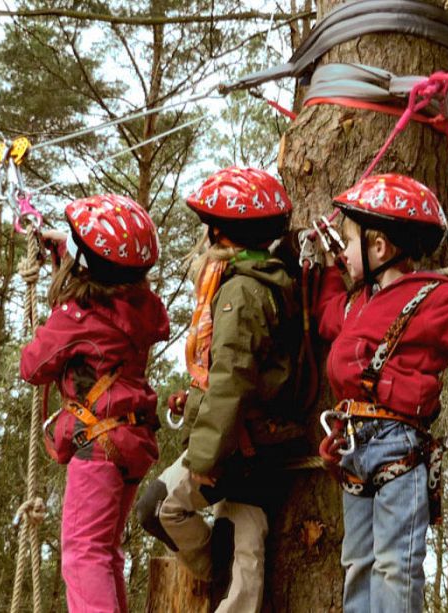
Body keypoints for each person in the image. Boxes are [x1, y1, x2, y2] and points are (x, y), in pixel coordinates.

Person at [316, 174, 448, 613]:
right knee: (358, 561)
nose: (343, 252)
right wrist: (324, 266)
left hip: (399, 447)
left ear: (379, 247)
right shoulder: (358, 303)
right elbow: (326, 319)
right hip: (355, 445)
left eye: (349, 241)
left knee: (396, 565)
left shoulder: (430, 298)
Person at [134, 167, 304, 612]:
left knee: (160, 508)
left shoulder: (243, 291)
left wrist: (204, 458)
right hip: (253, 437)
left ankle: (219, 572)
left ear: (219, 231)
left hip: (241, 443)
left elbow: (232, 378)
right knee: (241, 552)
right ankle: (223, 576)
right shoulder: (260, 281)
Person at [19, 193, 168, 613]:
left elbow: (33, 366)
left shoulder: (76, 316)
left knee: (84, 553)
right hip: (130, 440)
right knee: (105, 554)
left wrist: (52, 321)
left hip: (98, 444)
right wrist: (65, 248)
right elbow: (106, 270)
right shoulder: (136, 304)